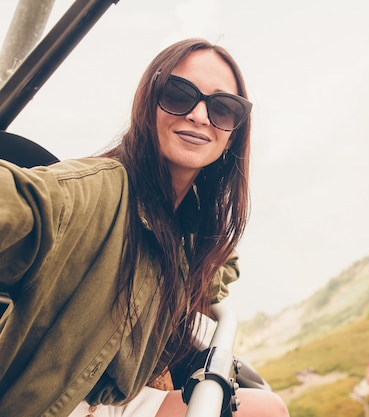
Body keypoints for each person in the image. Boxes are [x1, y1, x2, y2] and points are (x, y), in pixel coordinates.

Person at [0, 38, 289, 417]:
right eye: (180, 93)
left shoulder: (187, 228)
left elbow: (221, 267)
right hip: (56, 402)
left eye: (223, 108)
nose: (201, 116)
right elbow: (22, 204)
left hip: (112, 403)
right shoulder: (92, 189)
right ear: (148, 99)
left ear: (233, 131)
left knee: (268, 409)